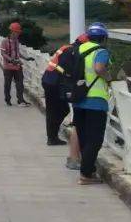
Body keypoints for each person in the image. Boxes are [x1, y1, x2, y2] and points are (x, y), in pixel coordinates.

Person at [72, 22, 112, 184]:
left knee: (83, 137)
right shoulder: (101, 51)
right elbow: (99, 68)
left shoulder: (79, 49)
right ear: (103, 38)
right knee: (94, 139)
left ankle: (89, 170)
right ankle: (86, 174)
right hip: (96, 101)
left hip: (78, 98)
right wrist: (109, 77)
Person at [41, 33, 87, 146]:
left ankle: (52, 136)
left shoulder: (66, 47)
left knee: (54, 110)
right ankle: (52, 137)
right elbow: (71, 71)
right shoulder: (74, 51)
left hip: (49, 79)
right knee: (59, 110)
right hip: (55, 83)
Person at [0, 21, 32, 106]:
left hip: (17, 66)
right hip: (8, 67)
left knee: (20, 84)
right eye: (17, 32)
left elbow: (18, 53)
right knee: (7, 84)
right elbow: (3, 53)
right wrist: (11, 60)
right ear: (12, 32)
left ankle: (20, 100)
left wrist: (26, 58)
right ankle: (7, 100)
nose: (18, 34)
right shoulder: (4, 41)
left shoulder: (17, 41)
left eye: (18, 32)